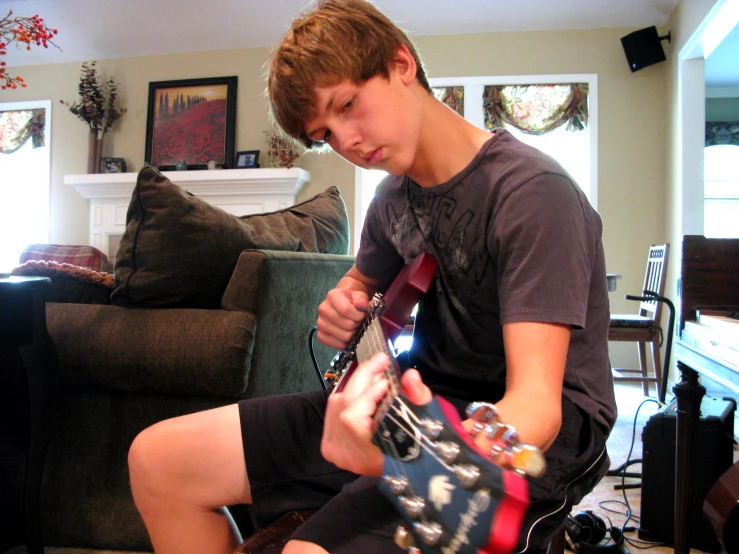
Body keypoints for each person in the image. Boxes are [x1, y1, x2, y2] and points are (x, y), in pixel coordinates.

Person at [127, 1, 617, 553]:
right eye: (326, 134)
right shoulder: (391, 199)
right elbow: (362, 284)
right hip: (416, 399)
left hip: (539, 433)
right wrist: (344, 302)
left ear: (401, 64)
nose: (349, 143)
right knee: (159, 459)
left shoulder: (531, 194)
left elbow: (536, 408)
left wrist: (396, 460)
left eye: (348, 105)